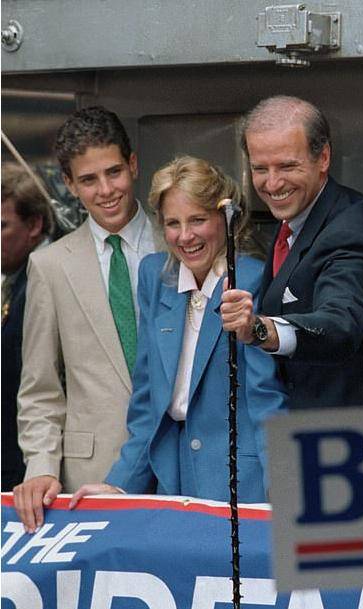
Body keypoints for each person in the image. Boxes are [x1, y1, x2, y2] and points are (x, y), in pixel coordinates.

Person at [69, 156, 286, 505]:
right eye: (173, 223)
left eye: (198, 220)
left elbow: (266, 402)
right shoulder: (156, 278)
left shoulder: (252, 281)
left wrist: (282, 490)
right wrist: (120, 484)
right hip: (171, 482)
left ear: (226, 221)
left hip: (243, 485)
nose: (185, 236)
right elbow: (148, 402)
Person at [13, 106, 160, 532]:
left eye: (114, 172)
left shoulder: (177, 246)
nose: (106, 190)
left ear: (133, 165)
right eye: (89, 179)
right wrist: (40, 466)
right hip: (91, 474)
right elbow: (39, 389)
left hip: (179, 464)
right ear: (69, 184)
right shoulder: (50, 266)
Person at [220, 95, 363, 409]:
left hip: (352, 440)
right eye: (260, 168)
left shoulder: (352, 233)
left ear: (323, 158)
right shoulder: (298, 218)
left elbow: (339, 326)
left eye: (287, 166)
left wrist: (258, 329)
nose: (272, 183)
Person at [2, 164, 54, 491]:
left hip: (28, 470)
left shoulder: (41, 281)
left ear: (34, 225)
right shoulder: (14, 282)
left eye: (2, 225)